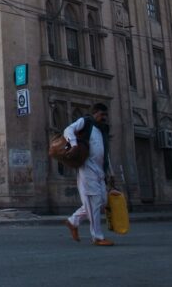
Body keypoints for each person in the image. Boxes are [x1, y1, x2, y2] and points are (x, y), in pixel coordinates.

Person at [63, 103, 115, 246]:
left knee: (102, 201)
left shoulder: (103, 130)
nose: (104, 118)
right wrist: (73, 144)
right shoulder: (86, 122)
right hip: (87, 169)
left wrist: (111, 171)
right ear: (95, 113)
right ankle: (97, 237)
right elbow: (68, 129)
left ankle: (73, 221)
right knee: (94, 202)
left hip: (100, 171)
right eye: (102, 115)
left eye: (106, 115)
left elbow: (105, 153)